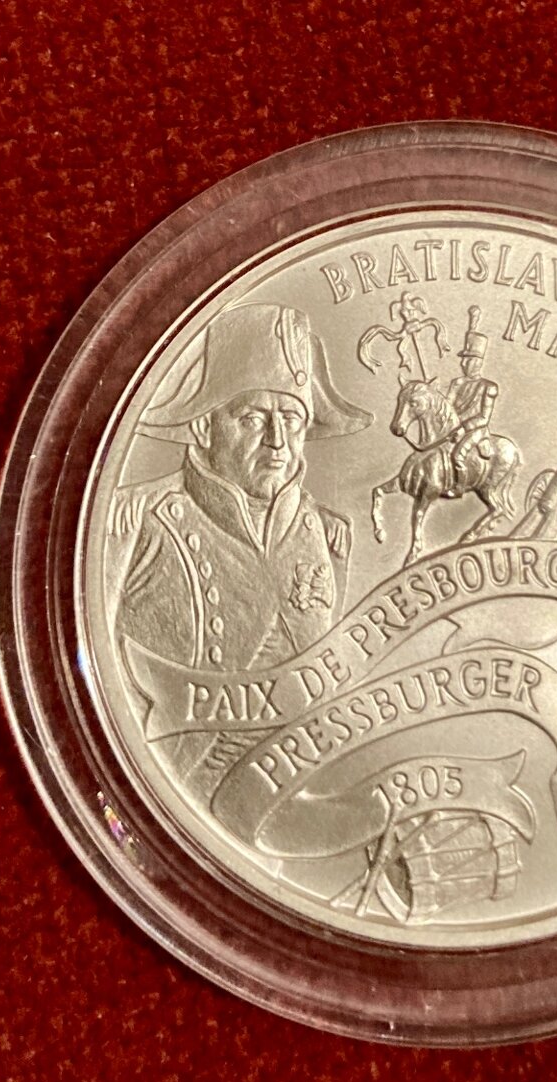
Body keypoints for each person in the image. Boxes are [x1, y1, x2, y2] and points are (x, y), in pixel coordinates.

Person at [112, 301, 372, 797]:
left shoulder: (327, 531)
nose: (278, 441)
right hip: (171, 789)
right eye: (253, 418)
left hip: (302, 791)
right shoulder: (138, 519)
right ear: (203, 427)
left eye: (291, 419)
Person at [442, 306, 499, 496]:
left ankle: (459, 488)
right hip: (453, 427)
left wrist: (462, 428)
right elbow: (447, 407)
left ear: (479, 362)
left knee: (457, 456)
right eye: (463, 359)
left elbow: (483, 418)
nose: (463, 363)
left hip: (475, 431)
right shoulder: (456, 383)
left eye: (469, 359)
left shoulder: (488, 387)